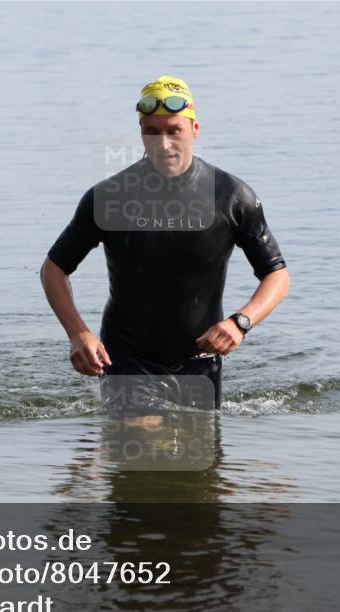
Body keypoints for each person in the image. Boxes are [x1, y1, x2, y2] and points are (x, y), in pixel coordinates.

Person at [40, 75, 290, 410]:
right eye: (152, 132)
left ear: (195, 129)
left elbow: (277, 274)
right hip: (127, 358)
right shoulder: (109, 198)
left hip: (201, 360)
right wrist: (78, 334)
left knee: (200, 459)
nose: (163, 143)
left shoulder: (231, 196)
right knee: (145, 434)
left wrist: (240, 323)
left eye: (174, 130)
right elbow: (54, 269)